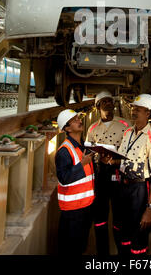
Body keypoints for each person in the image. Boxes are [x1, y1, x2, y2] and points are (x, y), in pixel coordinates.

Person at [116, 93, 151, 256]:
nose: (133, 111)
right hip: (123, 187)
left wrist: (149, 209)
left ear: (148, 113)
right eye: (133, 108)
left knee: (139, 234)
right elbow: (123, 158)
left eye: (138, 109)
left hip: (140, 189)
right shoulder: (128, 132)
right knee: (123, 230)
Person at [86, 90, 130, 256]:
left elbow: (130, 150)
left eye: (110, 101)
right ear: (98, 106)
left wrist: (115, 158)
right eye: (104, 102)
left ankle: (122, 251)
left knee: (119, 214)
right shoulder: (92, 128)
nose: (108, 104)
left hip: (118, 172)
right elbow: (89, 151)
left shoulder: (125, 125)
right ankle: (102, 253)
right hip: (101, 173)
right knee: (100, 215)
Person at [55, 109, 95, 255]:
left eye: (78, 117)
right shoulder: (65, 151)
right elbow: (63, 178)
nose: (79, 120)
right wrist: (82, 164)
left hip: (85, 206)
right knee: (71, 248)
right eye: (74, 120)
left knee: (81, 246)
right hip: (72, 211)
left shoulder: (83, 145)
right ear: (66, 128)